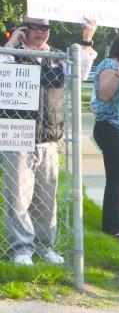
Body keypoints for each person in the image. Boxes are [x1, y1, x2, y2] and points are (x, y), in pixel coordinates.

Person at [1, 16, 96, 266]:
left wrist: (86, 38)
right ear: (23, 29)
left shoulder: (56, 57)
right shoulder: (11, 54)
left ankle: (44, 246)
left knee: (47, 198)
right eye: (33, 27)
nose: (40, 32)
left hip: (49, 138)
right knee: (18, 197)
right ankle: (21, 248)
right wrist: (12, 44)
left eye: (45, 27)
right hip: (18, 136)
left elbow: (81, 72)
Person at [90, 32, 119, 242]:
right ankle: (112, 228)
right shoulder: (109, 64)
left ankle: (114, 224)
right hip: (111, 126)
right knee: (116, 179)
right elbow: (105, 94)